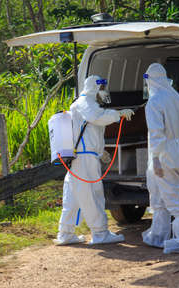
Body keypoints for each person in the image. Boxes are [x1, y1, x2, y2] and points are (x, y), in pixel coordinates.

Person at [54, 75, 135, 245]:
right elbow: (96, 117)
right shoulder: (85, 103)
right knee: (92, 193)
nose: (104, 91)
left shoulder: (87, 104)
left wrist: (100, 152)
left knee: (74, 195)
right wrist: (117, 114)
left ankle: (65, 233)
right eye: (102, 87)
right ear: (96, 87)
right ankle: (100, 233)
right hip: (84, 158)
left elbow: (92, 130)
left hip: (83, 156)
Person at [142, 63, 179, 254]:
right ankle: (158, 235)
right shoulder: (177, 98)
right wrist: (178, 145)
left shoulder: (154, 102)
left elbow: (156, 133)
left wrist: (157, 158)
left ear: (150, 80)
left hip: (163, 154)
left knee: (175, 197)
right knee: (160, 196)